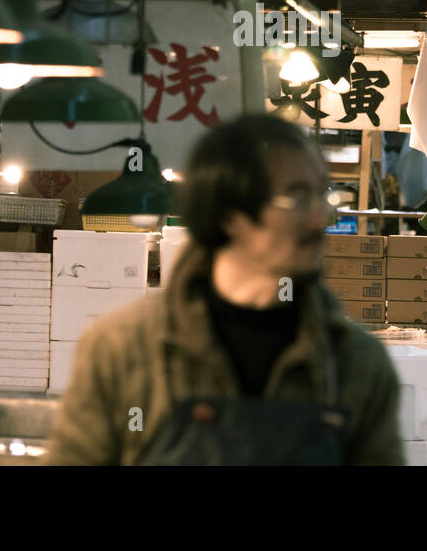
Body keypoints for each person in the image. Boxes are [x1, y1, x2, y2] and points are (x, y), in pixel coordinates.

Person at [46, 114, 404, 465]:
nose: (319, 220)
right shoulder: (123, 348)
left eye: (321, 198)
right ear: (229, 213)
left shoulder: (357, 362)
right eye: (296, 199)